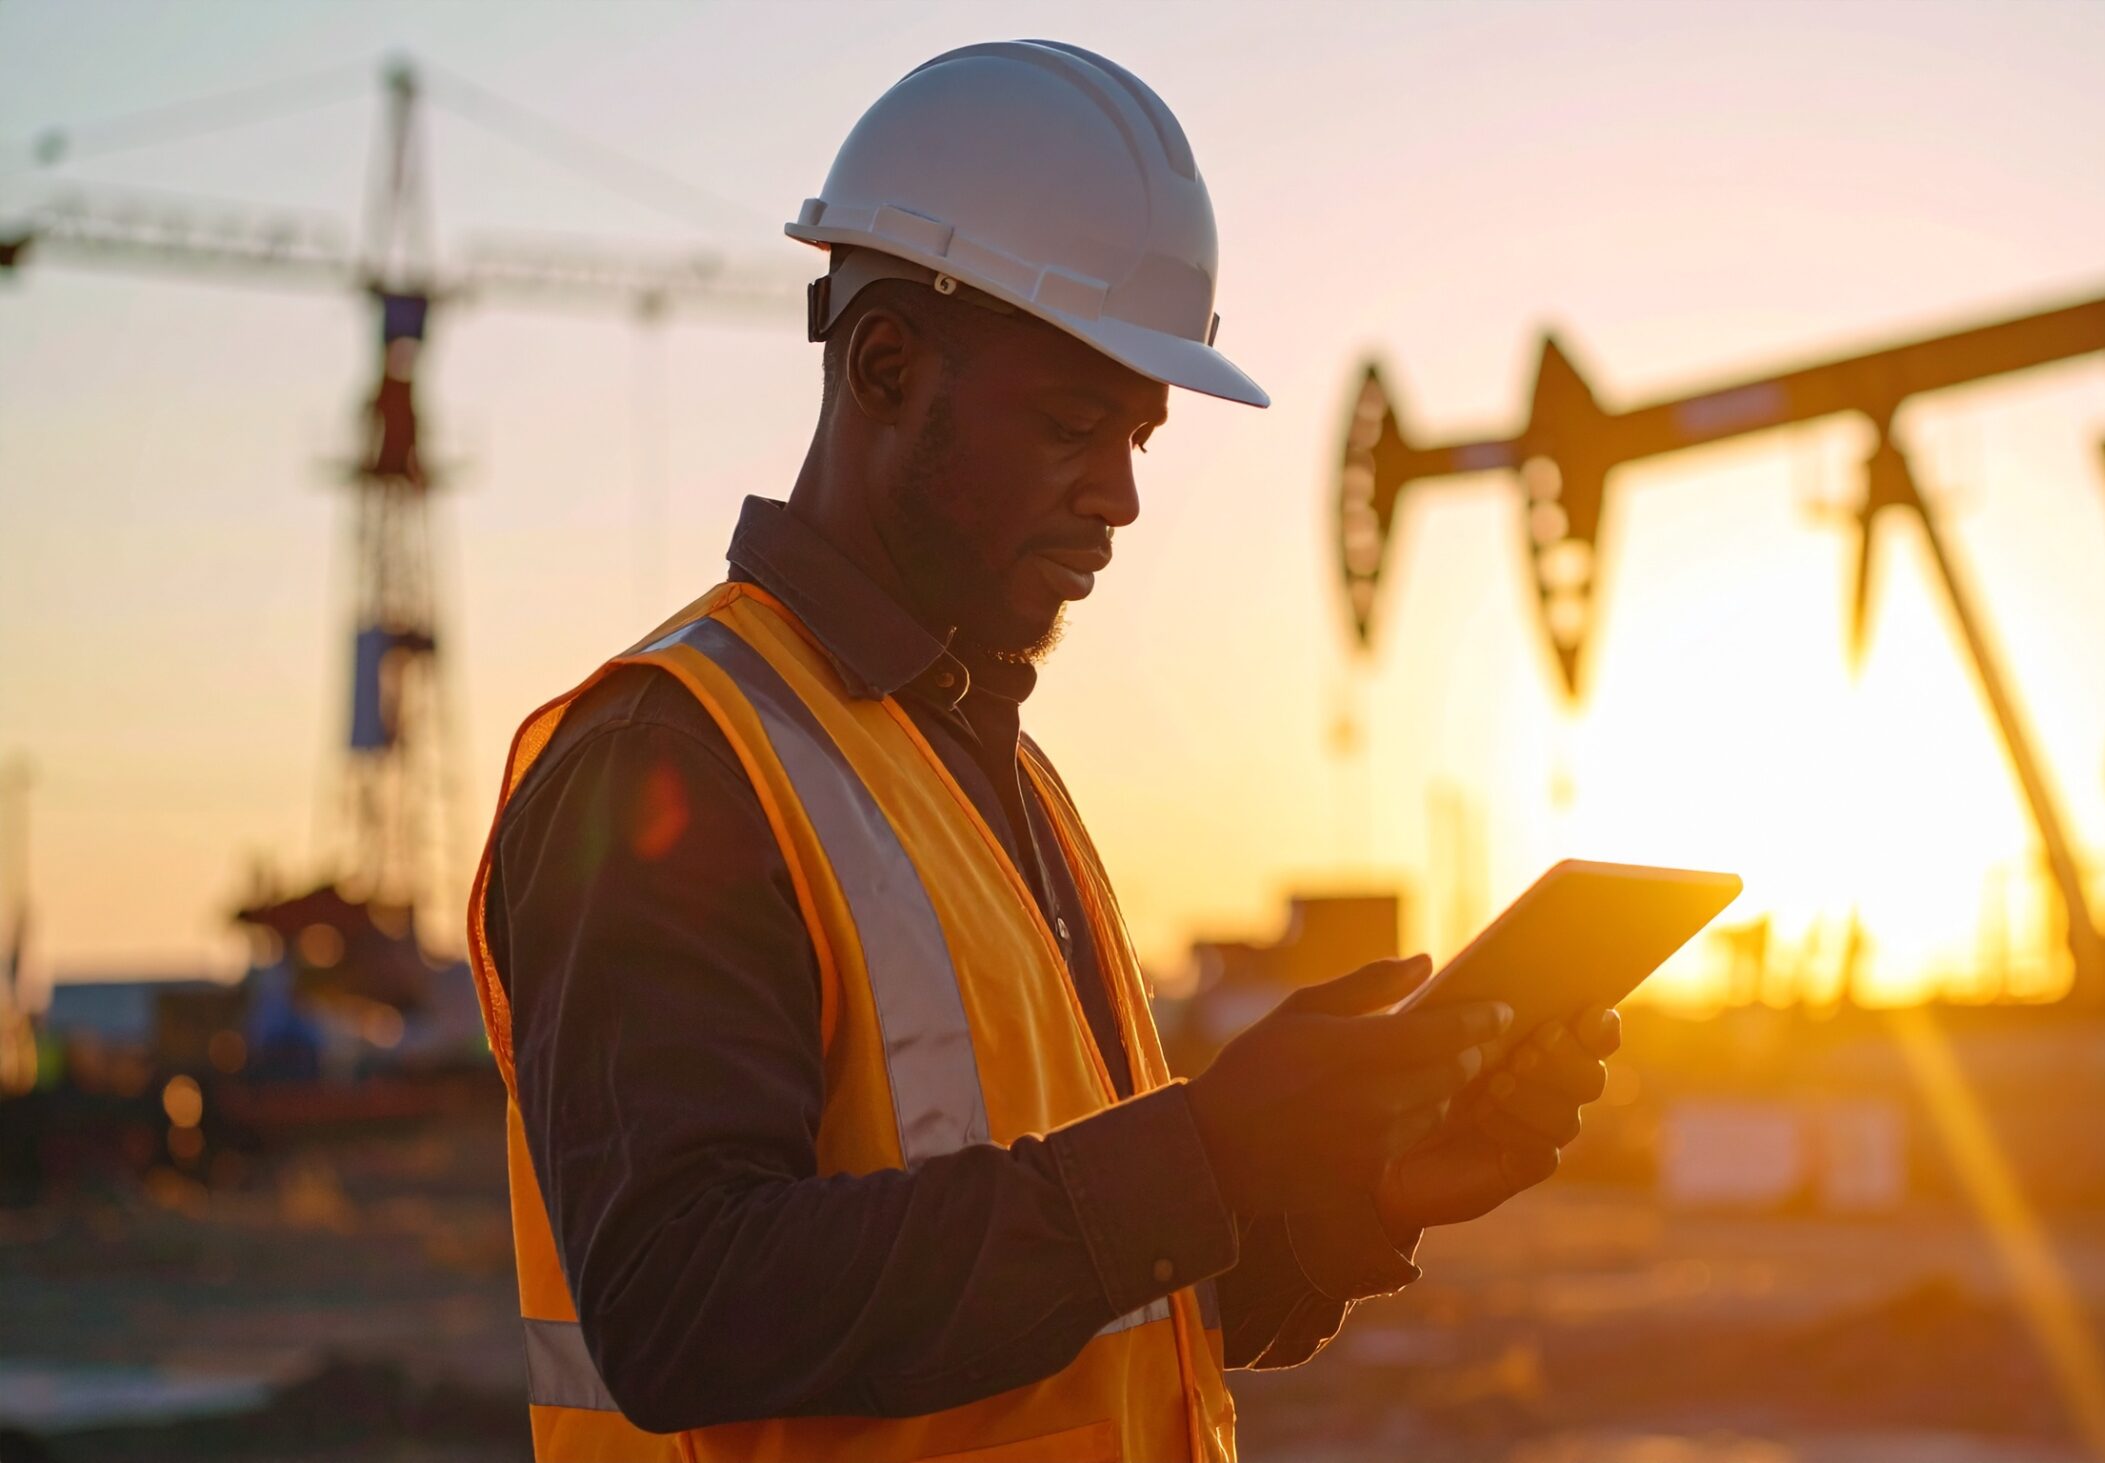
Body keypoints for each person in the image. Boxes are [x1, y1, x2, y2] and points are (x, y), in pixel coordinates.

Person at [465, 39, 1620, 1463]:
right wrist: (1207, 1150)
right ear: (885, 366)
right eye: (1076, 425)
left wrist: (1356, 1201)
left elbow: (1073, 1313)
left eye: (1141, 435)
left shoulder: (993, 781)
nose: (1123, 498)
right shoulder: (676, 761)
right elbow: (682, 1306)